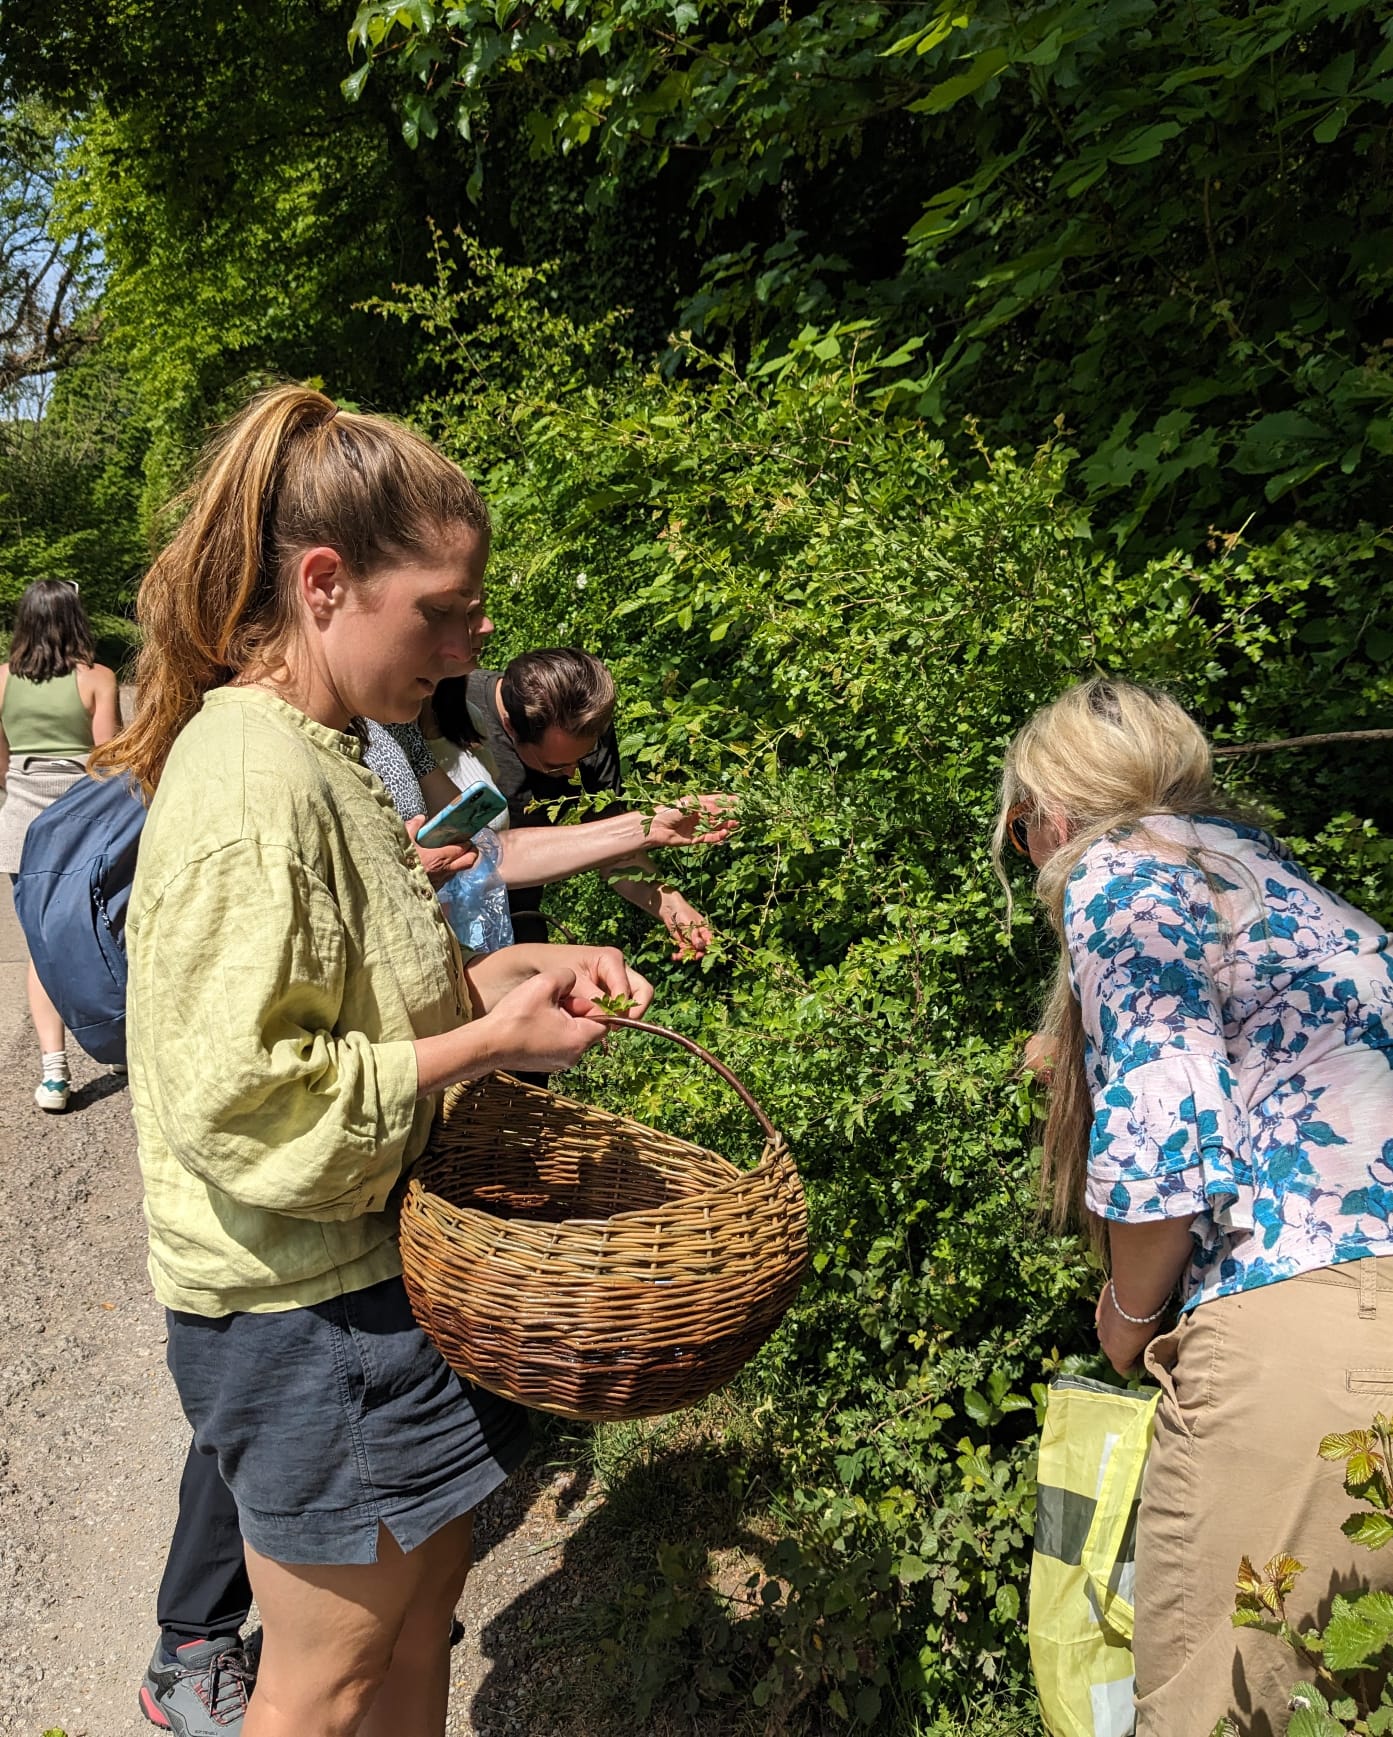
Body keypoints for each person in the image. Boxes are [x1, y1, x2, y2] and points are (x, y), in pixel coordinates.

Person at [97, 384, 653, 1737]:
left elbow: (360, 994)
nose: (474, 645)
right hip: (300, 1314)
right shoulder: (250, 783)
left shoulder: (339, 749)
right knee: (325, 1682)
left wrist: (514, 976)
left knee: (417, 1630)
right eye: (447, 610)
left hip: (372, 1276)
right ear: (327, 582)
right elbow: (248, 1096)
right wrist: (487, 1042)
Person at [997, 677, 1393, 1736]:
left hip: (1305, 1341)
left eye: (1018, 827)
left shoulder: (1120, 875)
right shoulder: (1277, 883)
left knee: (1229, 1709)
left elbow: (1168, 1130)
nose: (1024, 850)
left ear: (1055, 815)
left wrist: (1126, 1320)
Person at [428, 651, 718, 957]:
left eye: (585, 757)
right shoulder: (446, 707)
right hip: (445, 921)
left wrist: (671, 905)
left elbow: (614, 849)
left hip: (520, 919)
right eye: (557, 766)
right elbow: (484, 854)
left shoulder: (584, 727)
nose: (573, 774)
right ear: (510, 727)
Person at [0, 579, 121, 1110]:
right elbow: (109, 758)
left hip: (21, 827)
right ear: (76, 619)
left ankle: (54, 1072)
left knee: (40, 949)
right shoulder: (97, 679)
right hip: (83, 828)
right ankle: (120, 1042)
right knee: (104, 931)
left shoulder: (1, 681)